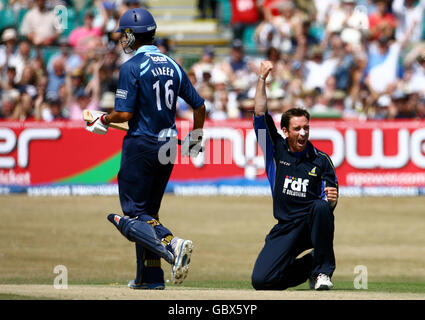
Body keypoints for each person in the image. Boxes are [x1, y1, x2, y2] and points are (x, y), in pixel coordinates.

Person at [85, 8, 206, 289]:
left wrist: (102, 120)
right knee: (149, 213)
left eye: (123, 34)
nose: (121, 40)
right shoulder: (173, 64)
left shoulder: (131, 67)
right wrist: (196, 138)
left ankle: (173, 244)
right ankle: (150, 278)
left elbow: (124, 115)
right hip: (168, 147)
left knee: (135, 214)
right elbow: (200, 106)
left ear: (131, 35)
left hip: (141, 145)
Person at [251, 60, 339, 291]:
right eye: (298, 129)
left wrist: (332, 200)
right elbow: (260, 113)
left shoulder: (321, 160)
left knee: (320, 207)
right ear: (285, 131)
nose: (303, 133)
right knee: (261, 281)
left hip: (311, 226)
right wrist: (262, 79)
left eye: (306, 128)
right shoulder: (274, 149)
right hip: (286, 226)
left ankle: (322, 272)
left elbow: (330, 201)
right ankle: (309, 265)